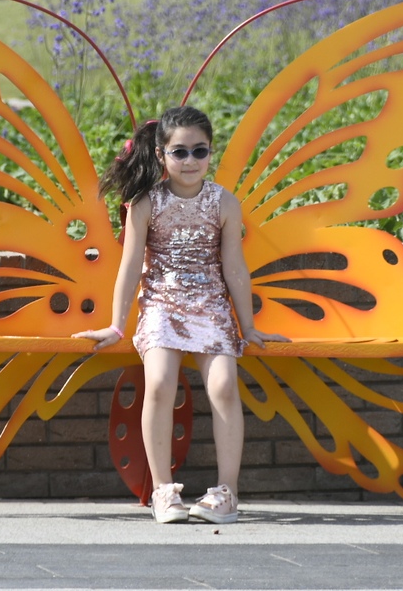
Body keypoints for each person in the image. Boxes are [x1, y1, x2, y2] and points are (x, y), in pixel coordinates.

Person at [73, 105, 288, 524]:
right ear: (160, 155)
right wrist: (117, 325)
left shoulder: (224, 202)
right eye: (180, 152)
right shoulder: (146, 204)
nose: (190, 161)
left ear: (211, 153)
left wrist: (249, 327)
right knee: (158, 383)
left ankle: (227, 493)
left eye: (199, 151)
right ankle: (162, 490)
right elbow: (131, 266)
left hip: (210, 306)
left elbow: (234, 267)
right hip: (161, 306)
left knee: (225, 385)